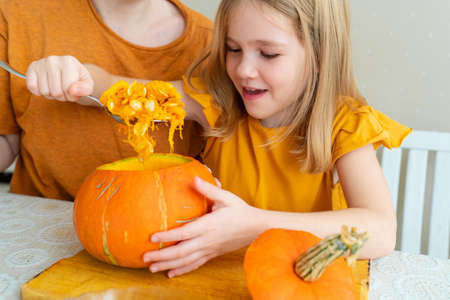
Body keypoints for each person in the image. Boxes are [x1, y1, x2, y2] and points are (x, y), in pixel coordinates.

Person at [24, 0, 411, 282]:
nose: (244, 69)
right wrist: (72, 74)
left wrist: (253, 225)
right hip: (218, 279)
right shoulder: (220, 104)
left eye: (269, 53)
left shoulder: (344, 125)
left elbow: (378, 230)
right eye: (233, 49)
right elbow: (120, 90)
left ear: (320, 53)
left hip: (303, 281)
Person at [0, 0, 213, 200]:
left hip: (166, 227)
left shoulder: (217, 46)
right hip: (36, 224)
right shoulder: (17, 13)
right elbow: (7, 142)